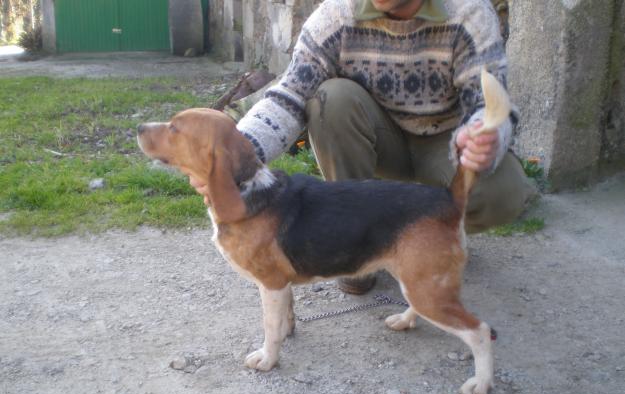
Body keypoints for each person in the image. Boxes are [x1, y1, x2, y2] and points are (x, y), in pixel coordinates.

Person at [196, 0, 535, 295]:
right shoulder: (334, 15)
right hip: (377, 140)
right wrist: (233, 156)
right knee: (332, 98)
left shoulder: (470, 12)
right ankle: (355, 247)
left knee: (504, 192)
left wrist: (482, 134)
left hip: (444, 141)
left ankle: (429, 237)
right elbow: (288, 97)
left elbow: (489, 101)